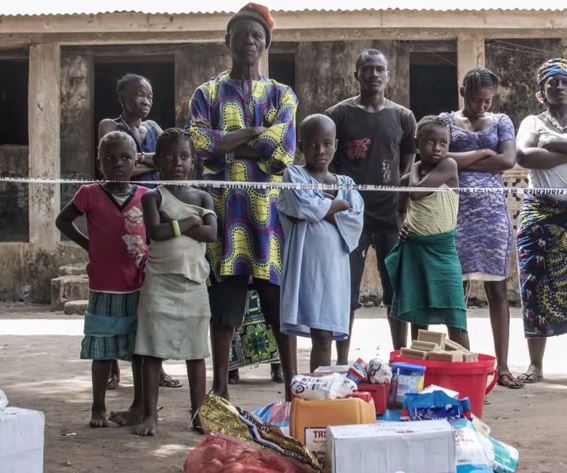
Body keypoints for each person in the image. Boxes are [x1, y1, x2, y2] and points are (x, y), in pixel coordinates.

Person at [187, 3, 298, 400]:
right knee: (224, 306)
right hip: (223, 215)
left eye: (257, 36)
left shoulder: (282, 94)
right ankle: (220, 390)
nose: (249, 41)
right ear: (227, 41)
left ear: (266, 44)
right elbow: (200, 144)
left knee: (277, 307)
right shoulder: (207, 93)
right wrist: (254, 132)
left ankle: (293, 389)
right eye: (242, 35)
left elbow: (281, 150)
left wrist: (228, 147)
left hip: (268, 218)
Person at [326, 48, 416, 360]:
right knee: (346, 291)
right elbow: (328, 166)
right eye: (367, 69)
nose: (374, 74)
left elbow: (406, 165)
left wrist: (399, 205)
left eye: (379, 69)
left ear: (388, 75)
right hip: (350, 216)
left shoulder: (403, 117)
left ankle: (400, 357)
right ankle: (341, 360)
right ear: (357, 74)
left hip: (390, 216)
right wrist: (341, 202)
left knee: (396, 290)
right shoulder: (338, 115)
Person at [55, 131, 147, 427]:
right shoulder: (89, 193)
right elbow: (62, 220)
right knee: (103, 350)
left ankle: (139, 406)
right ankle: (98, 407)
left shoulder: (146, 196)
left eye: (125, 157)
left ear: (136, 161)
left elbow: (156, 231)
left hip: (138, 285)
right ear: (99, 163)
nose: (117, 163)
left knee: (139, 350)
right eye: (109, 158)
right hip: (104, 286)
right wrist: (88, 244)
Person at [439, 67, 522, 389]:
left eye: (488, 101)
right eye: (476, 100)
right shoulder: (445, 121)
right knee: (456, 292)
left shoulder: (501, 122)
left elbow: (507, 160)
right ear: (463, 92)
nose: (483, 106)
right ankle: (464, 367)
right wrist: (484, 153)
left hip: (492, 220)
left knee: (497, 291)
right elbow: (437, 156)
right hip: (454, 216)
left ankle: (503, 368)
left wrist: (460, 160)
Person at [99, 73, 181, 389]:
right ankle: (111, 366)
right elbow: (116, 168)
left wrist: (137, 161)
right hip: (120, 212)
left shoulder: (155, 129)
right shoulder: (110, 126)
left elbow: (164, 162)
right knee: (117, 290)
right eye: (139, 94)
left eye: (149, 95)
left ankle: (155, 367)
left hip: (151, 213)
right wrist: (148, 161)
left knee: (151, 292)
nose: (146, 100)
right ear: (123, 97)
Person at [133, 129, 216, 436]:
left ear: (193, 161)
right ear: (157, 161)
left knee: (196, 352)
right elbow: (156, 232)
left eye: (183, 156)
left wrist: (176, 225)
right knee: (152, 351)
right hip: (159, 283)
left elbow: (211, 233)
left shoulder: (203, 196)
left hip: (194, 283)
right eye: (169, 157)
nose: (177, 163)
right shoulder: (153, 197)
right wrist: (191, 222)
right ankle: (150, 416)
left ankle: (198, 413)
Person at [277, 114, 364, 371]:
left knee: (325, 335)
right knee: (317, 331)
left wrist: (320, 208)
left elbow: (355, 219)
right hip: (305, 266)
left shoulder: (346, 183)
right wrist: (337, 204)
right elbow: (300, 205)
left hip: (334, 269)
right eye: (313, 144)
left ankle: (321, 390)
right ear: (301, 146)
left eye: (327, 143)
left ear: (336, 145)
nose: (320, 150)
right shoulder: (294, 175)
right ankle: (309, 390)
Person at [386, 115, 469, 347]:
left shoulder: (449, 165)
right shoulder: (407, 180)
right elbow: (400, 211)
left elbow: (417, 192)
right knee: (418, 315)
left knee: (455, 314)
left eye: (443, 143)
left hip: (443, 250)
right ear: (417, 143)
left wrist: (415, 167)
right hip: (415, 249)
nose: (437, 148)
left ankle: (465, 364)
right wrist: (401, 227)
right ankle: (421, 363)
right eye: (430, 142)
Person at [516, 58, 567, 383]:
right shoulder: (532, 122)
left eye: (564, 82)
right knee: (533, 284)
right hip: (539, 212)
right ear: (541, 91)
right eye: (552, 83)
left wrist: (550, 144)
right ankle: (535, 364)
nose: (559, 87)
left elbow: (539, 154)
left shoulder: (544, 133)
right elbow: (523, 156)